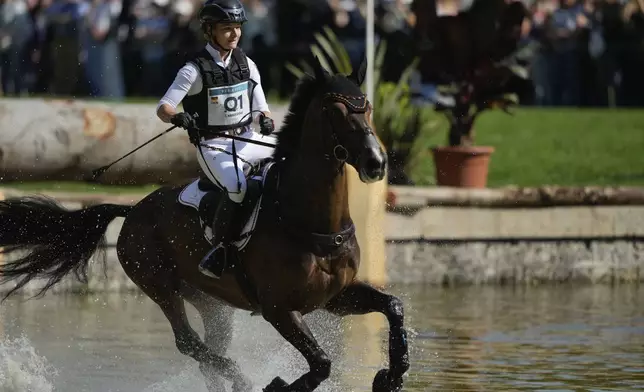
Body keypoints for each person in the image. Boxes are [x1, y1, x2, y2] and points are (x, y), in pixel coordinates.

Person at [156, 0, 276, 279]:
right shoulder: (193, 70)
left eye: (237, 28)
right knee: (237, 187)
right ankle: (222, 248)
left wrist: (265, 120)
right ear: (210, 31)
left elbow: (261, 107)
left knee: (288, 163)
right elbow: (164, 107)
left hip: (248, 139)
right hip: (214, 147)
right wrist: (177, 117)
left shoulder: (247, 63)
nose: (234, 34)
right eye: (227, 29)